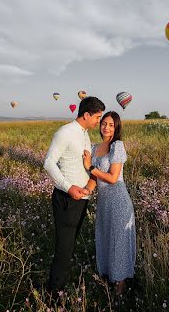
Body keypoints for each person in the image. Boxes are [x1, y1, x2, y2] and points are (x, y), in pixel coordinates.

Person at [44, 96, 105, 296]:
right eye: (97, 117)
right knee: (63, 249)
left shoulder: (85, 134)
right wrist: (69, 187)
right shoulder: (65, 133)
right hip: (67, 198)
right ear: (86, 115)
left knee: (69, 247)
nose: (99, 121)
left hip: (81, 198)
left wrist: (88, 186)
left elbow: (85, 164)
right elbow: (49, 163)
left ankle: (60, 287)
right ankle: (53, 296)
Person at [83, 111, 136, 298]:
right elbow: (93, 178)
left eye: (111, 125)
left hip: (119, 201)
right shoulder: (95, 147)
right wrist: (86, 191)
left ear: (117, 127)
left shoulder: (117, 146)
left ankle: (119, 290)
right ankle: (108, 277)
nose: (106, 127)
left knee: (118, 241)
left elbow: (113, 177)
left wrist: (90, 167)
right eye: (104, 123)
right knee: (106, 238)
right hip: (104, 202)